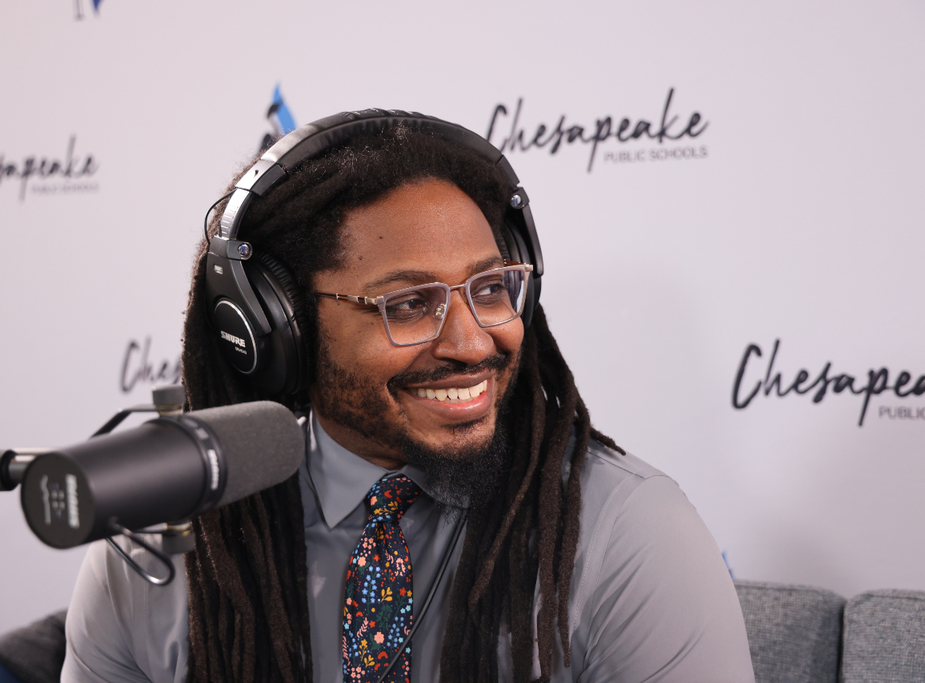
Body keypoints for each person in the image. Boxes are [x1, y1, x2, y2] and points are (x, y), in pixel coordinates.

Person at [62, 111, 755, 683]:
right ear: (280, 330)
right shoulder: (168, 546)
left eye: (489, 288)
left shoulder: (627, 534)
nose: (472, 341)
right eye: (409, 302)